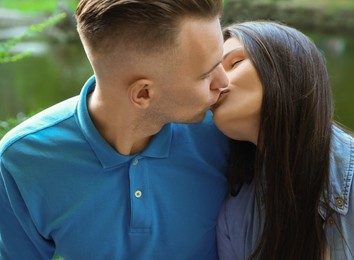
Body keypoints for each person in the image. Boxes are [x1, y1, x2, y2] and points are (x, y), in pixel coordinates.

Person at [0, 1, 230, 259]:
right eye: (206, 75)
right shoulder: (21, 161)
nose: (224, 82)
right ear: (143, 93)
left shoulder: (226, 131)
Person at [212, 21, 354, 260]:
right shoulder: (234, 220)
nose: (216, 83)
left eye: (234, 62)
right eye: (209, 75)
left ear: (287, 67)